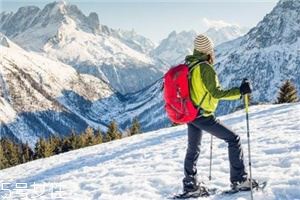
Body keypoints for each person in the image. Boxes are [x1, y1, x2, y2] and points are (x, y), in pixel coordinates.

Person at [182, 34, 256, 193]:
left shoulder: (190, 65)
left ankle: (190, 186)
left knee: (193, 149)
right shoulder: (204, 67)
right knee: (233, 138)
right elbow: (216, 93)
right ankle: (239, 180)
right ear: (208, 50)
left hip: (191, 114)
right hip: (203, 115)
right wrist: (240, 91)